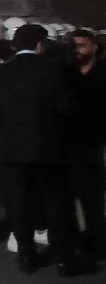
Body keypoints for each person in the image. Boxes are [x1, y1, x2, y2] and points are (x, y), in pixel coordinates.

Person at [0, 24, 78, 276]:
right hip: (47, 149)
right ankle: (62, 258)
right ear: (39, 44)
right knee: (55, 203)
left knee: (18, 204)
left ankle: (27, 257)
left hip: (11, 150)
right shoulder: (52, 71)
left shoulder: (0, 73)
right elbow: (65, 109)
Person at [69, 29, 106, 260]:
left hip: (97, 140)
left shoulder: (103, 71)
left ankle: (96, 240)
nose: (77, 51)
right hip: (70, 142)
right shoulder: (67, 72)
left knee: (94, 196)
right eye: (74, 46)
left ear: (94, 46)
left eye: (81, 45)